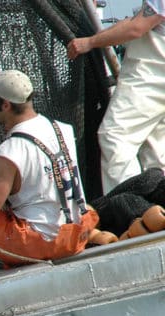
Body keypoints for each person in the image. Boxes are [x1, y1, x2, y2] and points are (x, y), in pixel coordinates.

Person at [0, 70, 98, 282]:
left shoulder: (9, 151)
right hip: (77, 232)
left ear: (5, 105)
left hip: (44, 242)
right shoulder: (63, 129)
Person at [67, 1, 165, 192]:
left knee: (114, 136)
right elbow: (136, 21)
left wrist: (89, 42)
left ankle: (130, 208)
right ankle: (157, 210)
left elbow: (137, 27)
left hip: (153, 76)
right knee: (156, 150)